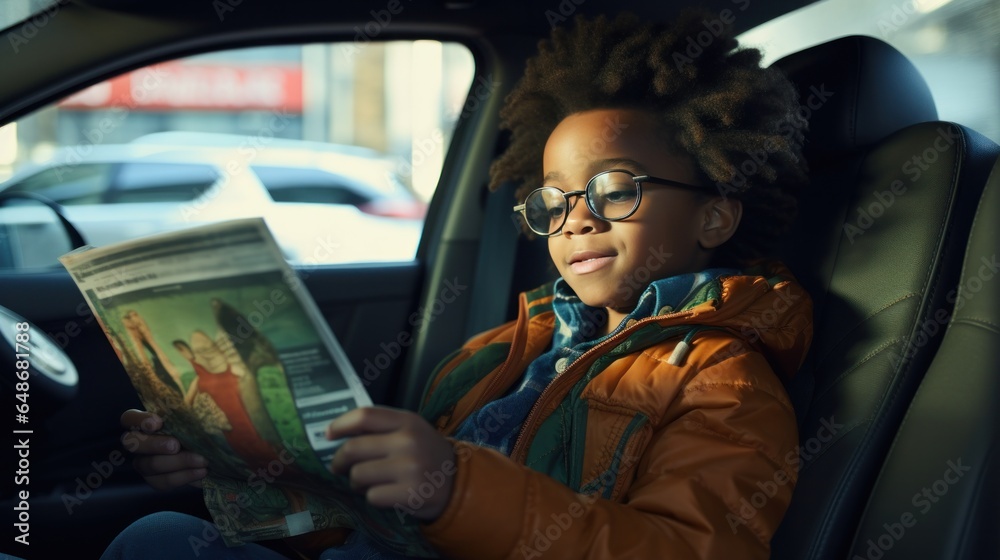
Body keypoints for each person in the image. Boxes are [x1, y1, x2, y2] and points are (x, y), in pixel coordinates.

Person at [106, 10, 811, 560]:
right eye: (553, 200)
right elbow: (382, 525)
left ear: (715, 215)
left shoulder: (722, 381)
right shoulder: (498, 352)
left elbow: (691, 549)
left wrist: (456, 488)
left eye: (615, 190)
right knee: (161, 536)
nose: (576, 221)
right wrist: (234, 474)